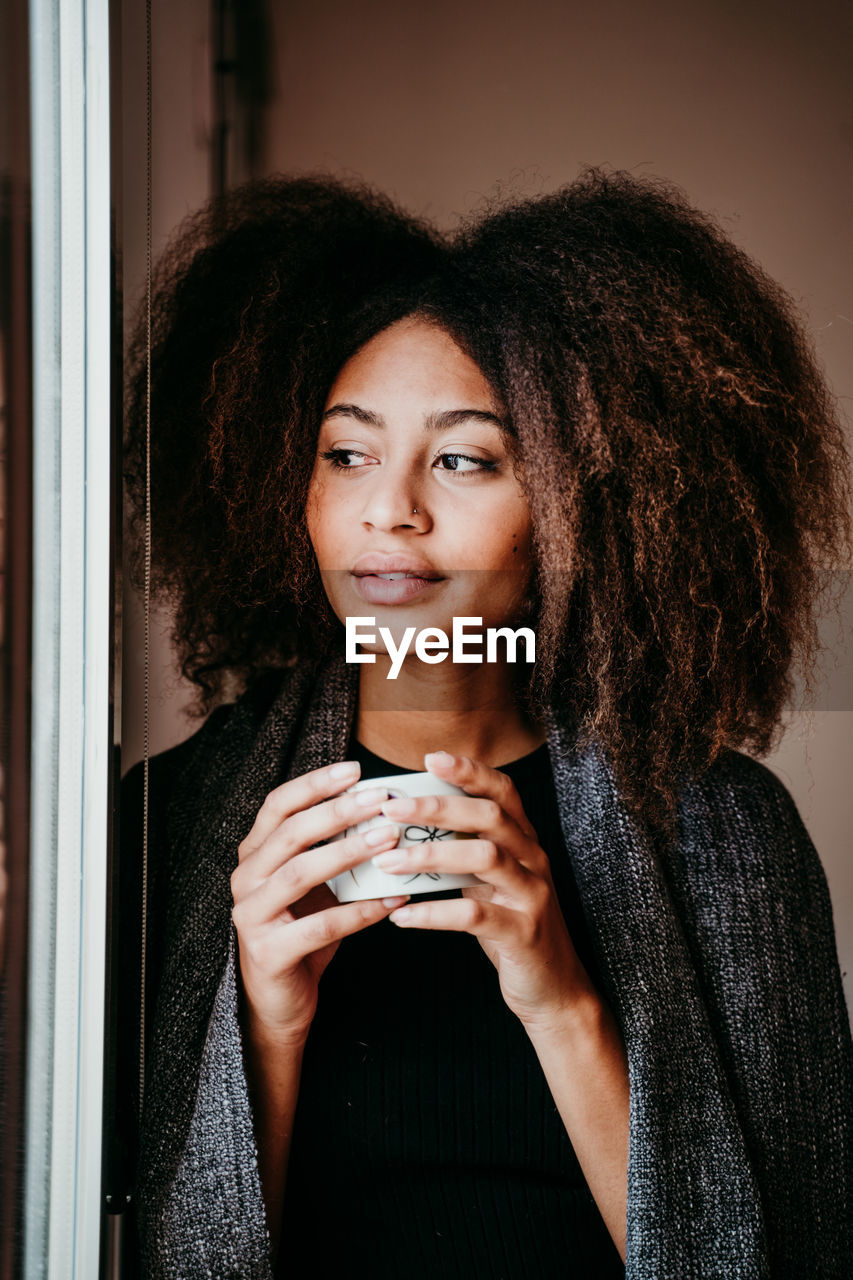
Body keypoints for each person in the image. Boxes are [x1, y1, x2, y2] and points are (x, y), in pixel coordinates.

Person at [118, 170, 853, 1278]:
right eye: (345, 452)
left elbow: (803, 1241)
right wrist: (265, 1016)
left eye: (463, 458)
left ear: (580, 504)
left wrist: (558, 994)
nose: (390, 508)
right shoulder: (166, 824)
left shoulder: (728, 833)